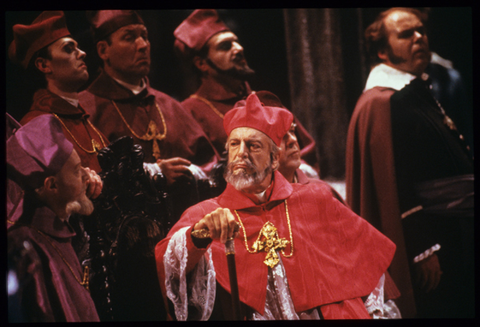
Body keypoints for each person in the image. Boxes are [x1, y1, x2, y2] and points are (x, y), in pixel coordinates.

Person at [155, 93, 397, 320]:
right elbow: (167, 269)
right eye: (234, 145)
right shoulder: (206, 213)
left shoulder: (315, 198)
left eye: (253, 146)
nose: (241, 154)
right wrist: (200, 234)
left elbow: (366, 267)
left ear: (274, 159)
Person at [345, 7, 474, 318]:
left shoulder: (414, 89)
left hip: (456, 228)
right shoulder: (384, 101)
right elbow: (394, 181)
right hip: (434, 239)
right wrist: (421, 248)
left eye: (421, 31)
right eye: (406, 34)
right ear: (381, 50)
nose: (419, 38)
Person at [78, 10, 220, 187]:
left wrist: (190, 171)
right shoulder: (84, 109)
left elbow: (211, 164)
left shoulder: (170, 106)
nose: (142, 45)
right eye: (129, 38)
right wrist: (154, 173)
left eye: (145, 36)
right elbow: (84, 174)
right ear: (103, 50)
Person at [174, 9, 318, 171]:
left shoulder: (264, 99)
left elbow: (305, 149)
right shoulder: (189, 111)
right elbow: (206, 169)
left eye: (236, 42)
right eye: (225, 46)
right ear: (202, 64)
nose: (238, 48)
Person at [7, 114, 103, 322]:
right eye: (78, 172)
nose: (88, 176)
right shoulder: (24, 246)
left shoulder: (59, 226)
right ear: (51, 185)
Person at [9, 11, 108, 174]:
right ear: (43, 65)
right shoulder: (35, 127)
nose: (82, 53)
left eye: (77, 47)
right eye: (68, 49)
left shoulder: (85, 121)